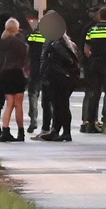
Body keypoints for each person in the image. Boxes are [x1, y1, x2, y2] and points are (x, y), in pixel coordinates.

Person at [37, 11, 81, 142]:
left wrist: (47, 71)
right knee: (59, 105)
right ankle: (55, 130)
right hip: (61, 78)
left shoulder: (56, 43)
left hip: (58, 78)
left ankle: (65, 132)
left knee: (61, 106)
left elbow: (68, 60)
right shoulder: (65, 42)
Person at [81, 6, 106, 134]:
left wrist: (93, 56)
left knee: (95, 93)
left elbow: (86, 50)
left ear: (99, 16)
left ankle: (91, 123)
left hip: (94, 65)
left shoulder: (91, 30)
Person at [0, 18, 30, 142]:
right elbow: (25, 60)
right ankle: (21, 133)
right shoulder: (20, 44)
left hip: (4, 75)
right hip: (17, 74)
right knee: (18, 105)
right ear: (17, 29)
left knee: (9, 105)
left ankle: (5, 130)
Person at [23, 9, 46, 135]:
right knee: (48, 96)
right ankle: (49, 122)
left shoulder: (34, 34)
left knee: (33, 94)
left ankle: (33, 119)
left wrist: (26, 65)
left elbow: (27, 50)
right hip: (47, 68)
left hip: (35, 67)